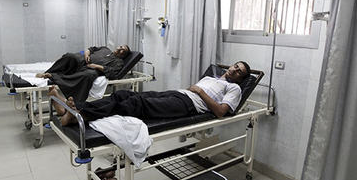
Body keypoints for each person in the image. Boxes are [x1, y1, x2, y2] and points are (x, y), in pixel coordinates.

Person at [50, 61, 251, 126]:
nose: (235, 70)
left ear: (241, 79)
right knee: (124, 95)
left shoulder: (234, 88)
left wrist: (199, 90)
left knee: (136, 104)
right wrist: (196, 89)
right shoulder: (213, 78)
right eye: (235, 66)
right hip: (178, 94)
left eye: (240, 72)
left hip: (188, 106)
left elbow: (221, 112)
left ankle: (80, 117)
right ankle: (71, 109)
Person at [37, 45, 130, 102]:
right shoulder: (105, 49)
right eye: (121, 47)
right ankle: (49, 72)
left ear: (124, 55)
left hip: (91, 70)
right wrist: (87, 54)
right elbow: (91, 49)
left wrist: (96, 66)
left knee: (88, 76)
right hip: (83, 61)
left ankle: (54, 76)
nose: (120, 50)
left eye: (123, 51)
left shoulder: (119, 62)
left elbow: (113, 73)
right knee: (71, 56)